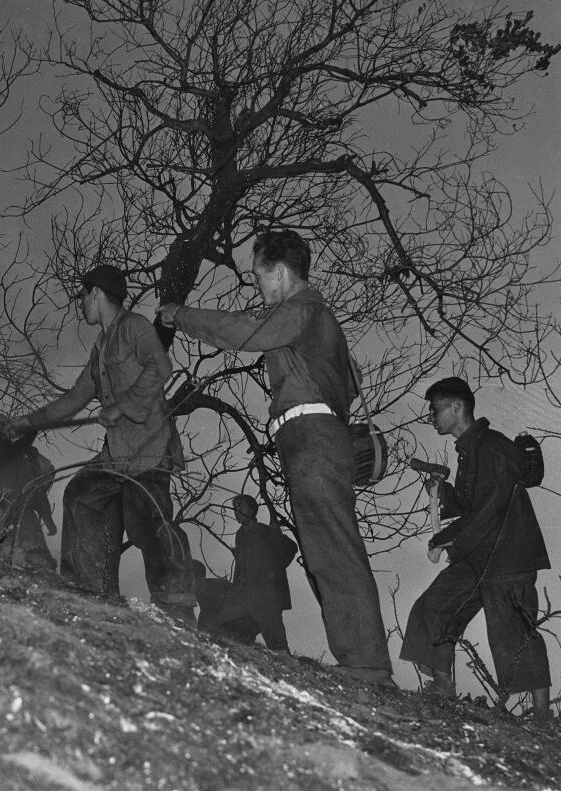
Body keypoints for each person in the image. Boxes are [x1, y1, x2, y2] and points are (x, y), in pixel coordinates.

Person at [158, 229, 393, 686]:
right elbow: (347, 384)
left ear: (281, 273)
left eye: (260, 277)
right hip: (315, 437)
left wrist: (180, 315)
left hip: (313, 436)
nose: (259, 287)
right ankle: (362, 661)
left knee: (333, 549)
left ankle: (367, 666)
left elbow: (245, 332)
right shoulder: (319, 322)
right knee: (326, 548)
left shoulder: (301, 310)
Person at [6, 265, 191, 609]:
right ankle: (84, 589)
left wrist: (120, 406)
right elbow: (75, 397)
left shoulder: (134, 326)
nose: (80, 303)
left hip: (149, 448)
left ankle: (177, 607)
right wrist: (29, 421)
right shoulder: (102, 346)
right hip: (117, 454)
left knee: (149, 527)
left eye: (82, 295)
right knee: (80, 494)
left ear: (97, 293)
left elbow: (161, 367)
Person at [400, 377, 551, 717]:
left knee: (516, 632)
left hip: (508, 557)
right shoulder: (469, 452)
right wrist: (444, 491)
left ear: (457, 407)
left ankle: (543, 716)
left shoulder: (493, 447)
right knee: (432, 608)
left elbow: (491, 508)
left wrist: (446, 542)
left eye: (436, 409)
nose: (432, 417)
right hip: (478, 556)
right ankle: (443, 687)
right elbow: (472, 505)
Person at [220, 494, 297, 652]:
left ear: (253, 509)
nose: (237, 512)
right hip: (247, 595)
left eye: (241, 507)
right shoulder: (240, 535)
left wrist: (274, 571)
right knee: (235, 632)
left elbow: (290, 547)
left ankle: (287, 667)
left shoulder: (264, 530)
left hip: (267, 595)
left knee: (275, 640)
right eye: (235, 508)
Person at [0, 414, 58, 573]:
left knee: (35, 559)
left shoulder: (22, 457)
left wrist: (48, 520)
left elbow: (36, 492)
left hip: (22, 515)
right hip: (2, 516)